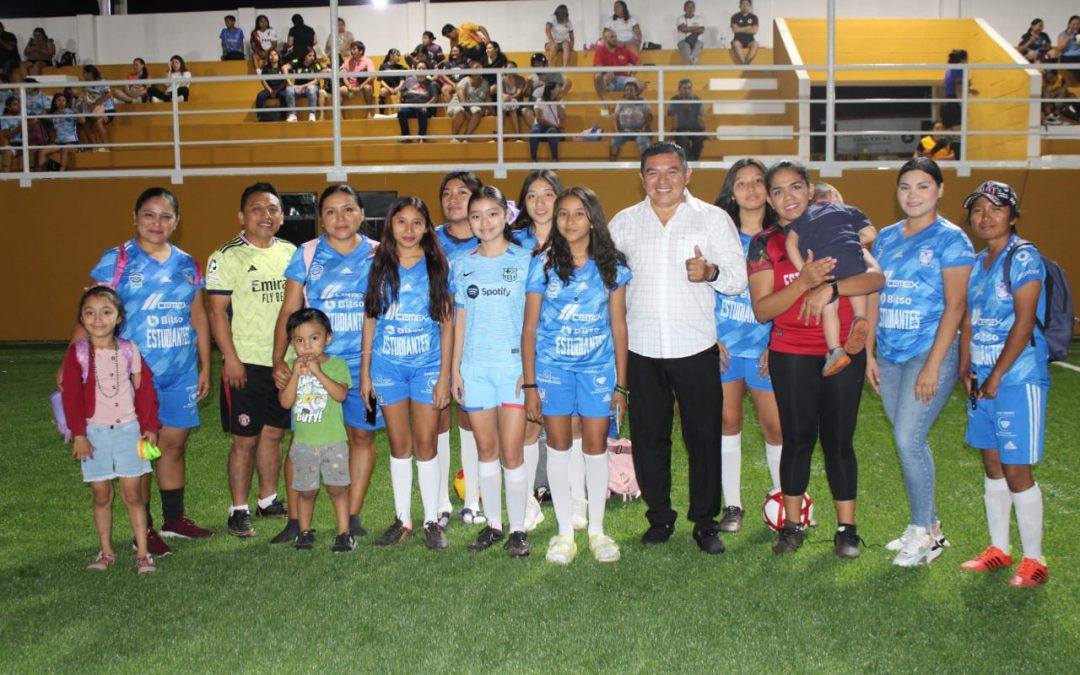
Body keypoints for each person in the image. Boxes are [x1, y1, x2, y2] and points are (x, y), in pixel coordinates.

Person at [609, 142, 747, 554]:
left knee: (703, 436)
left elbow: (738, 279)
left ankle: (705, 522)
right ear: (642, 178)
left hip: (695, 345)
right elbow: (608, 284)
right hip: (643, 348)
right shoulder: (623, 224)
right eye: (653, 172)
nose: (663, 180)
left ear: (688, 175)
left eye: (672, 171)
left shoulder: (713, 218)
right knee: (650, 437)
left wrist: (711, 271)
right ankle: (659, 517)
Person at [748, 159, 885, 559]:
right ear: (770, 200)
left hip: (843, 348)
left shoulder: (836, 227)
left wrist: (833, 290)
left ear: (810, 190)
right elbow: (762, 310)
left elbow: (876, 278)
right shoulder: (765, 244)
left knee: (839, 440)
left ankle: (847, 530)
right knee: (798, 439)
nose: (787, 197)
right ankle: (792, 527)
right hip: (790, 351)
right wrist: (805, 284)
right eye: (777, 191)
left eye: (795, 188)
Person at [79, 188, 213, 555]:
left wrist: (204, 365)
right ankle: (146, 527)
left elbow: (198, 315)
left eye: (166, 216)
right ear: (134, 216)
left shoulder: (188, 264)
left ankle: (174, 519)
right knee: (140, 450)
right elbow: (91, 312)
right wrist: (72, 363)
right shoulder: (117, 260)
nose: (158, 223)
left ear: (177, 221)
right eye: (149, 215)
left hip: (180, 370)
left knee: (173, 443)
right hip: (132, 377)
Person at [864, 157, 974, 567]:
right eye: (905, 186)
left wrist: (934, 365)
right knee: (910, 440)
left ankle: (921, 531)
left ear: (940, 190)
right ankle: (932, 528)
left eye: (923, 186)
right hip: (890, 354)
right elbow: (874, 296)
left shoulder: (952, 240)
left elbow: (957, 305)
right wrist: (869, 353)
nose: (913, 195)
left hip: (929, 353)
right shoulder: (887, 238)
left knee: (907, 439)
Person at [523, 185, 630, 564]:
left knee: (596, 447)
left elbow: (619, 325)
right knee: (558, 447)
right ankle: (565, 533)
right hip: (553, 371)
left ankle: (598, 530)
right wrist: (531, 382)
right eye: (563, 213)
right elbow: (530, 328)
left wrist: (621, 384)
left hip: (598, 371)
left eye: (578, 213)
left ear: (593, 219)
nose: (569, 220)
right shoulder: (543, 264)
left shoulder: (612, 266)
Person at [273, 184, 384, 544]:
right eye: (332, 211)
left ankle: (350, 516)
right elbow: (289, 309)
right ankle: (295, 520)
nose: (341, 218)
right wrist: (279, 359)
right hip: (311, 365)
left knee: (362, 435)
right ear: (321, 217)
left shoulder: (380, 254)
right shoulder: (306, 254)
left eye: (349, 209)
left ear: (362, 214)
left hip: (366, 364)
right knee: (302, 437)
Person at [959, 180, 1050, 587]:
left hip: (1017, 379)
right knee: (992, 464)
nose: (986, 217)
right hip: (984, 380)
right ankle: (1000, 548)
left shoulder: (1024, 257)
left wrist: (996, 375)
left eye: (996, 209)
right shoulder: (979, 262)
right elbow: (969, 321)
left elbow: (1025, 321)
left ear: (1012, 216)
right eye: (978, 210)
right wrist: (968, 368)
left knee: (1016, 469)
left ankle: (1035, 560)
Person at [360, 197, 453, 549]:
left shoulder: (437, 266)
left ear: (428, 227)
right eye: (402, 222)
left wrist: (444, 375)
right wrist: (366, 372)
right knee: (400, 446)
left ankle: (431, 520)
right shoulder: (378, 265)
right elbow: (370, 319)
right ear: (390, 226)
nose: (409, 230)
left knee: (426, 443)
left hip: (427, 368)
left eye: (417, 222)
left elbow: (447, 326)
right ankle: (403, 520)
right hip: (388, 368)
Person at [206, 182, 296, 539]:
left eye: (273, 209)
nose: (266, 215)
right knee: (245, 438)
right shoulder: (226, 255)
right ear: (241, 216)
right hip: (244, 362)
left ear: (282, 216)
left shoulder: (292, 253)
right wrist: (230, 358)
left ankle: (268, 498)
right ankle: (238, 509)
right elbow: (215, 313)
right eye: (257, 209)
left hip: (284, 362)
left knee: (274, 433)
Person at [451, 186, 534, 558]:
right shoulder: (461, 263)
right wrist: (455, 372)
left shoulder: (527, 260)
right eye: (475, 216)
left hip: (513, 370)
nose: (484, 223)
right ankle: (494, 525)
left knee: (512, 451)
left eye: (491, 214)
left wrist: (529, 371)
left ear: (506, 216)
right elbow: (459, 321)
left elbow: (534, 320)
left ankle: (518, 528)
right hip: (475, 370)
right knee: (486, 449)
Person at [62, 285, 161, 575]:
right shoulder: (78, 353)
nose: (98, 319)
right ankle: (105, 551)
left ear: (119, 317)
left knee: (134, 494)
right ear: (81, 319)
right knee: (101, 494)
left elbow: (145, 393)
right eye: (89, 313)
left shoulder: (130, 350)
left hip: (129, 431)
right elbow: (71, 398)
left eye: (106, 312)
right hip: (94, 435)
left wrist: (150, 427)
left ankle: (143, 553)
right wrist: (79, 434)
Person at [711, 159, 784, 533]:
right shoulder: (718, 237)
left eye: (758, 181)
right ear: (731, 190)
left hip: (766, 347)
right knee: (727, 422)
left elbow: (789, 290)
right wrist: (712, 337)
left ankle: (784, 500)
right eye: (742, 183)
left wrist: (779, 339)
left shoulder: (781, 237)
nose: (751, 189)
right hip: (725, 346)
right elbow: (699, 289)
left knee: (776, 427)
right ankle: (733, 505)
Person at [513, 170, 567, 530]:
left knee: (570, 426)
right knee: (530, 424)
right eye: (532, 195)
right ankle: (528, 500)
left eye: (548, 194)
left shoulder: (576, 238)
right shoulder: (512, 242)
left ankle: (573, 498)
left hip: (566, 345)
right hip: (522, 344)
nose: (540, 202)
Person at [278, 308, 355, 553]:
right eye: (299, 341)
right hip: (304, 443)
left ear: (327, 338)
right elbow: (285, 402)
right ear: (292, 343)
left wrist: (318, 373)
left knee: (337, 488)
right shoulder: (292, 367)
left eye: (314, 338)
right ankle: (304, 531)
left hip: (334, 441)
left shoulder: (338, 365)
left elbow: (341, 395)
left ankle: (344, 533)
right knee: (306, 490)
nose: (307, 346)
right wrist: (295, 377)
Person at [783, 188, 876, 376]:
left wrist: (804, 271)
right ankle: (860, 318)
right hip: (850, 255)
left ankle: (835, 351)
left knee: (829, 307)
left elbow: (790, 243)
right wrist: (848, 240)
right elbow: (871, 234)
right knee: (856, 282)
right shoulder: (848, 210)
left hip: (824, 262)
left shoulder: (804, 215)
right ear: (834, 196)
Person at [435, 172, 484, 525]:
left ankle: (474, 499)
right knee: (436, 417)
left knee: (470, 418)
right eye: (447, 193)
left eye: (462, 193)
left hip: (478, 343)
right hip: (433, 342)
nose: (454, 199)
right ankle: (439, 501)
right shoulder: (428, 240)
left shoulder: (491, 237)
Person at [593, 28, 639, 115]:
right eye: (612, 37)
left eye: (615, 36)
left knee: (638, 84)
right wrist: (605, 73)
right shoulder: (600, 52)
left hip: (623, 79)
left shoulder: (623, 50)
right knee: (597, 77)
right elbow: (598, 69)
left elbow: (637, 62)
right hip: (608, 81)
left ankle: (620, 105)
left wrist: (632, 74)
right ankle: (604, 104)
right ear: (605, 39)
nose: (615, 38)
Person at [610, 80, 651, 161]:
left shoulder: (643, 102)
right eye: (626, 90)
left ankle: (645, 163)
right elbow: (615, 117)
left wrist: (644, 130)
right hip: (624, 131)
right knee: (615, 141)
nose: (628, 92)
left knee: (643, 141)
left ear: (636, 91)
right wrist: (617, 131)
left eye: (631, 90)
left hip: (639, 130)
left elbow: (648, 117)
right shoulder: (621, 102)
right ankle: (612, 162)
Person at [398, 59, 438, 141]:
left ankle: (421, 137)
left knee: (423, 112)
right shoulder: (409, 80)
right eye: (419, 68)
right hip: (409, 107)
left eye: (423, 68)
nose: (421, 70)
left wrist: (426, 105)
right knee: (401, 112)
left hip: (423, 108)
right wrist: (398, 104)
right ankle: (406, 137)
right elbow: (400, 92)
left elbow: (435, 97)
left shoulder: (432, 83)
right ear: (415, 70)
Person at [285, 47, 327, 122]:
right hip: (298, 87)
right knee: (288, 89)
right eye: (310, 55)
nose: (312, 58)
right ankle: (292, 114)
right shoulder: (297, 61)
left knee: (311, 89)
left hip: (311, 86)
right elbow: (284, 67)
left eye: (313, 56)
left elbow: (316, 81)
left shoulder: (316, 64)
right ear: (304, 55)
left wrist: (303, 86)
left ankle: (312, 114)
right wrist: (288, 82)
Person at [668, 79, 705, 162]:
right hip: (680, 128)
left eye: (689, 88)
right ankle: (688, 162)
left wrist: (705, 132)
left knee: (699, 140)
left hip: (695, 128)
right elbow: (673, 117)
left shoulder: (697, 100)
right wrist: (672, 131)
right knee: (682, 140)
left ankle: (693, 161)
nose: (687, 90)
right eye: (684, 88)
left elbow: (700, 118)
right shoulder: (674, 100)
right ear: (679, 89)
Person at [79, 65, 114, 152]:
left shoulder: (102, 82)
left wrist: (96, 103)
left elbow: (108, 94)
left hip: (107, 109)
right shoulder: (86, 85)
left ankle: (105, 147)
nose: (83, 75)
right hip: (92, 109)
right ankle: (94, 146)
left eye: (84, 73)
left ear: (90, 73)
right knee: (85, 123)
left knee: (98, 122)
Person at [452, 64, 489, 142]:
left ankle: (465, 137)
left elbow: (488, 98)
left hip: (477, 105)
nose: (479, 68)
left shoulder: (485, 83)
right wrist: (466, 108)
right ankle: (454, 137)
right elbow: (460, 95)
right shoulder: (465, 80)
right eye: (476, 67)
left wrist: (493, 111)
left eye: (480, 67)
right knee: (461, 111)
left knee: (477, 112)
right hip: (462, 104)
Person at [530, 80, 565, 162]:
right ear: (551, 90)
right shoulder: (540, 100)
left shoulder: (559, 101)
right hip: (541, 126)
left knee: (551, 131)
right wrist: (554, 125)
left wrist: (557, 103)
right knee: (534, 131)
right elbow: (539, 119)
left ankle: (555, 159)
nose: (559, 89)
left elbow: (562, 116)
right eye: (557, 88)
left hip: (552, 128)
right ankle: (533, 159)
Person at [339, 41, 376, 115]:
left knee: (367, 88)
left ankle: (369, 112)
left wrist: (361, 86)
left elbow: (372, 76)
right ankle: (339, 115)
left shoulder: (367, 61)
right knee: (340, 90)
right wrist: (348, 86)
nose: (352, 51)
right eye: (351, 49)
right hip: (351, 88)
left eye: (354, 49)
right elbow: (343, 75)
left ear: (361, 51)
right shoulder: (348, 62)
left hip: (362, 87)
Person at [255, 48, 290, 122]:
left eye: (274, 54)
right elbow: (263, 81)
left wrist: (276, 91)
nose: (272, 56)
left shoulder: (282, 67)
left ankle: (283, 116)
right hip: (269, 89)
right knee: (260, 96)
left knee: (284, 96)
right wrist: (270, 91)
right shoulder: (266, 68)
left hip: (280, 89)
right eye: (270, 55)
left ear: (278, 56)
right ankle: (260, 117)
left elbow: (285, 81)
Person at [46, 91, 78, 170]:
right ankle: (39, 171)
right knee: (43, 150)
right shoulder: (53, 115)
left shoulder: (70, 112)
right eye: (59, 100)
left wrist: (75, 110)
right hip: (58, 143)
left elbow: (82, 120)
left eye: (63, 100)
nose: (61, 102)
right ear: (55, 102)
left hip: (72, 143)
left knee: (65, 148)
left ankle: (61, 172)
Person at [377, 49, 408, 115]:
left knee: (400, 93)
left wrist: (398, 87)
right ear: (391, 56)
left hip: (397, 88)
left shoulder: (401, 67)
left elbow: (402, 80)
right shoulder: (383, 66)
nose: (399, 58)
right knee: (382, 91)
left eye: (400, 56)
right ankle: (381, 113)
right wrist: (389, 89)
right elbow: (381, 80)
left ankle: (397, 113)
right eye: (398, 55)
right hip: (387, 88)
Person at [730, 0, 760, 66]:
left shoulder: (754, 17)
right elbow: (735, 30)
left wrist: (740, 29)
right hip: (738, 40)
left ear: (750, 6)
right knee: (735, 43)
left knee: (756, 44)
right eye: (743, 4)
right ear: (740, 6)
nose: (745, 6)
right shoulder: (735, 17)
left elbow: (754, 31)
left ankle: (745, 64)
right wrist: (748, 27)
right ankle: (745, 65)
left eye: (747, 4)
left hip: (750, 41)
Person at [677, 1, 706, 65]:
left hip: (697, 41)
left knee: (698, 45)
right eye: (688, 7)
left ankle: (691, 65)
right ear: (684, 9)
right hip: (684, 41)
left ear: (694, 8)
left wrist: (688, 28)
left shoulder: (699, 18)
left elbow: (701, 30)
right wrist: (696, 28)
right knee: (686, 48)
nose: (690, 9)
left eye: (692, 7)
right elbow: (683, 29)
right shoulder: (680, 18)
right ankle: (692, 68)